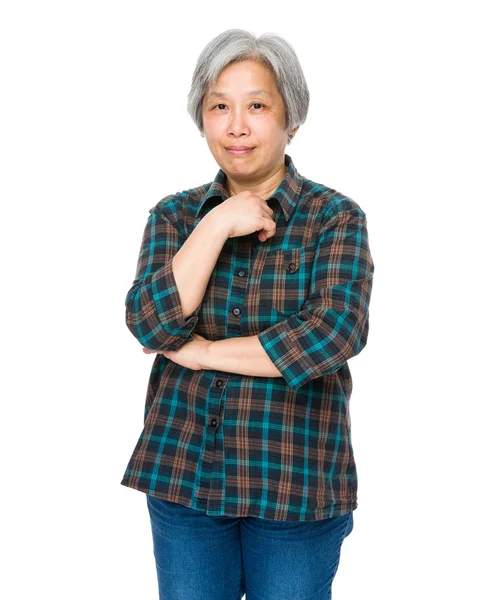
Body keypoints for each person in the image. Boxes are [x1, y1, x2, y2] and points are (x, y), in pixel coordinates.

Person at [120, 28, 374, 600]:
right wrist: (215, 223)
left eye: (257, 105)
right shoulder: (175, 216)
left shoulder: (334, 218)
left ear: (292, 118)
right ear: (202, 118)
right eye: (219, 107)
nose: (236, 126)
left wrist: (203, 352)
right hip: (185, 476)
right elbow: (150, 323)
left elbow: (331, 334)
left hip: (295, 487)